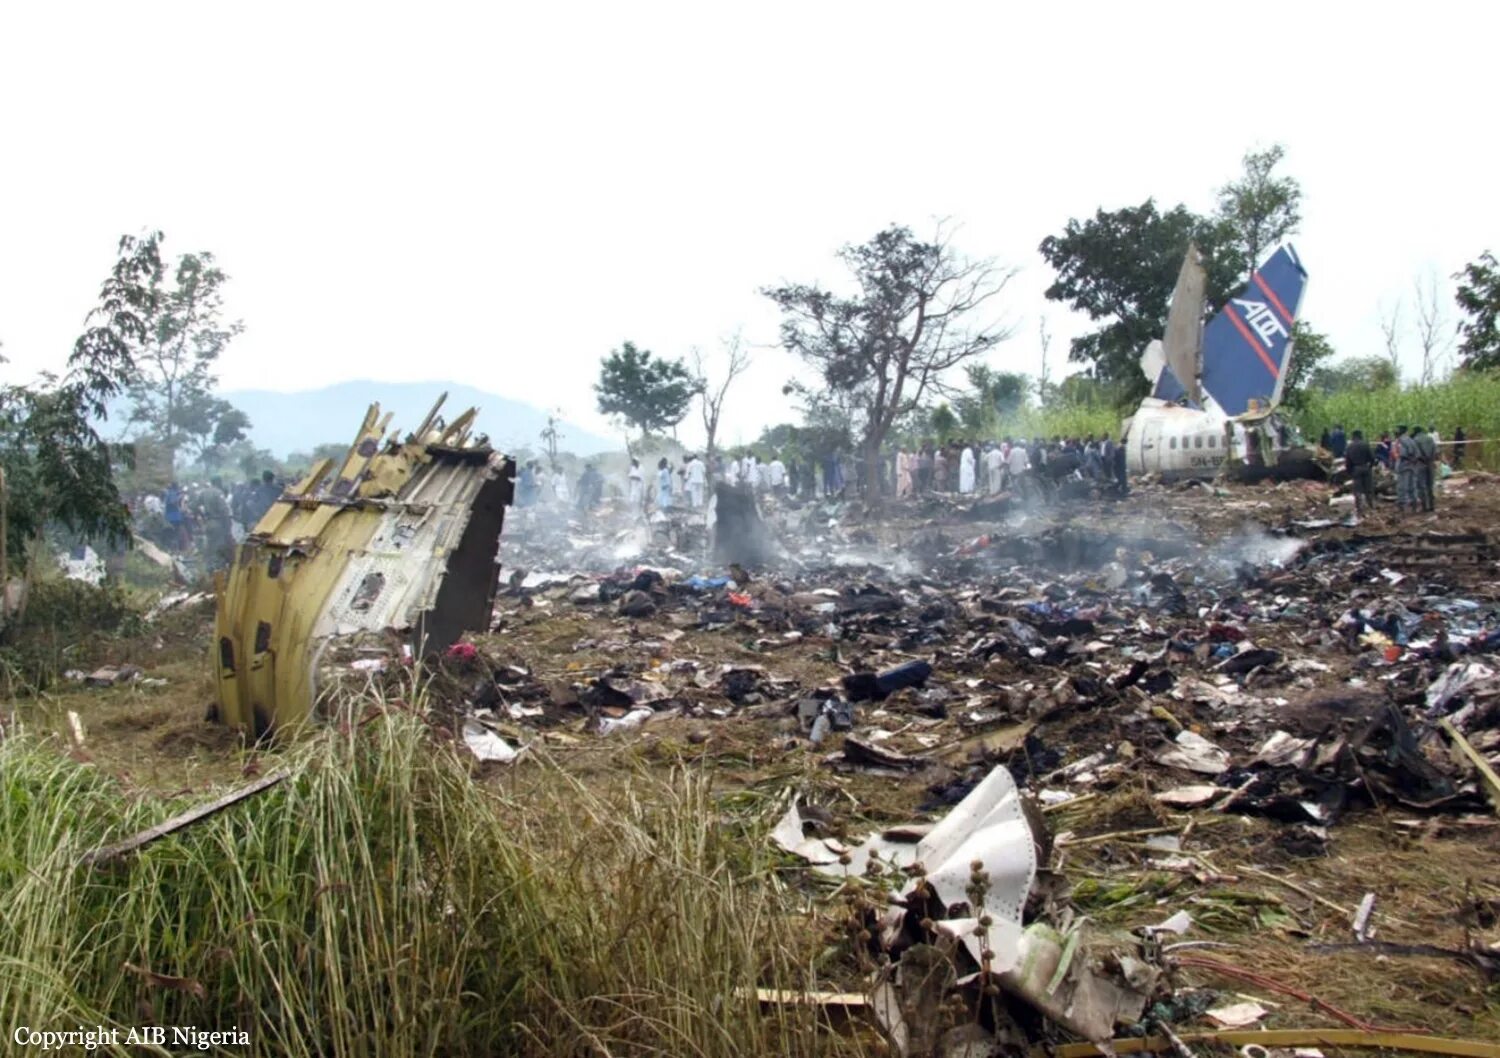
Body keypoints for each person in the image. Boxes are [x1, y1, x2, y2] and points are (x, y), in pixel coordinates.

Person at [1345, 430, 1376, 516]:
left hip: (1356, 468)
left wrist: (1349, 471)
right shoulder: (1365, 444)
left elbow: (1348, 461)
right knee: (1368, 489)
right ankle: (1371, 507)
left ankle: (1359, 510)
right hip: (1365, 467)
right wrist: (1370, 466)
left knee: (1357, 490)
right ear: (1360, 435)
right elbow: (1372, 458)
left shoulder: (1350, 446)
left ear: (1353, 436)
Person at [1413, 425, 1437, 512]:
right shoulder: (1430, 438)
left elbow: (1416, 453)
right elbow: (1435, 450)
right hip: (1430, 463)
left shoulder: (1416, 440)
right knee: (1430, 485)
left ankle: (1425, 506)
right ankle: (1432, 506)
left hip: (1421, 464)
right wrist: (1430, 459)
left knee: (1421, 486)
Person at [1395, 426, 1417, 512]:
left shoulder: (1401, 441)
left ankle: (1402, 505)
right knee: (1412, 485)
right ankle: (1413, 503)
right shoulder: (1411, 440)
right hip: (1412, 466)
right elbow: (1416, 453)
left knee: (1402, 486)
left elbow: (1403, 454)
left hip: (1404, 466)